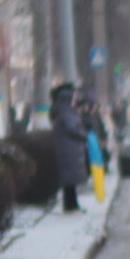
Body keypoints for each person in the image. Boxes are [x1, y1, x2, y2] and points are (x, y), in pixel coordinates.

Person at [48, 83, 87, 213]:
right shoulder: (66, 113)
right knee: (69, 181)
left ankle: (72, 204)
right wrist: (83, 136)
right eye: (73, 98)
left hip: (67, 150)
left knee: (70, 181)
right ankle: (70, 205)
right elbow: (72, 129)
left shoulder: (63, 111)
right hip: (68, 150)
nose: (75, 100)